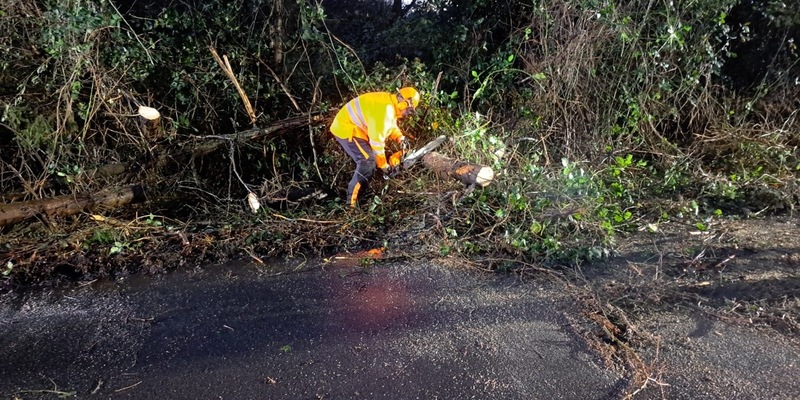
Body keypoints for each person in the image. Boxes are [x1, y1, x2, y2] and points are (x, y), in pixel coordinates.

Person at [329, 86, 420, 208]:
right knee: (367, 162)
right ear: (404, 104)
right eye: (410, 111)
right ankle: (351, 205)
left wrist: (400, 138)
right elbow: (376, 143)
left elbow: (390, 125)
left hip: (355, 127)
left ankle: (361, 195)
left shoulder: (389, 103)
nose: (408, 114)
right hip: (347, 129)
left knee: (370, 161)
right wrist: (384, 166)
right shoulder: (385, 110)